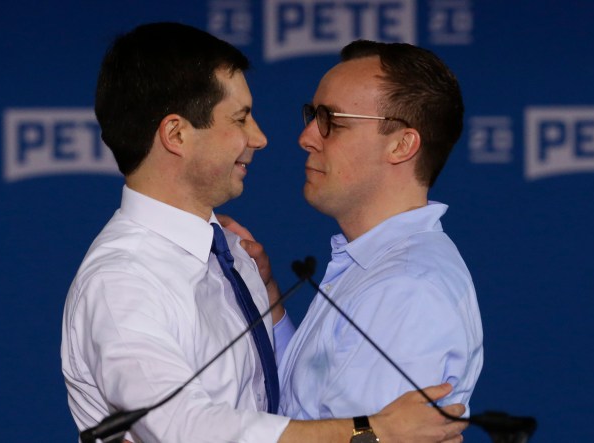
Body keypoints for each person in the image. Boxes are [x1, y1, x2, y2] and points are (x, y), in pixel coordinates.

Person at [60, 22, 467, 443]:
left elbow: (282, 403)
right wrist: (370, 432)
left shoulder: (235, 256)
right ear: (177, 134)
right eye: (241, 118)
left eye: (331, 120)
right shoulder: (122, 280)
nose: (261, 138)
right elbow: (182, 427)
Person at [228, 40, 483, 428]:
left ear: (401, 145)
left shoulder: (406, 288)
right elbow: (308, 406)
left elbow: (356, 436)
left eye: (332, 120)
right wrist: (270, 300)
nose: (306, 137)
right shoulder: (379, 266)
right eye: (312, 115)